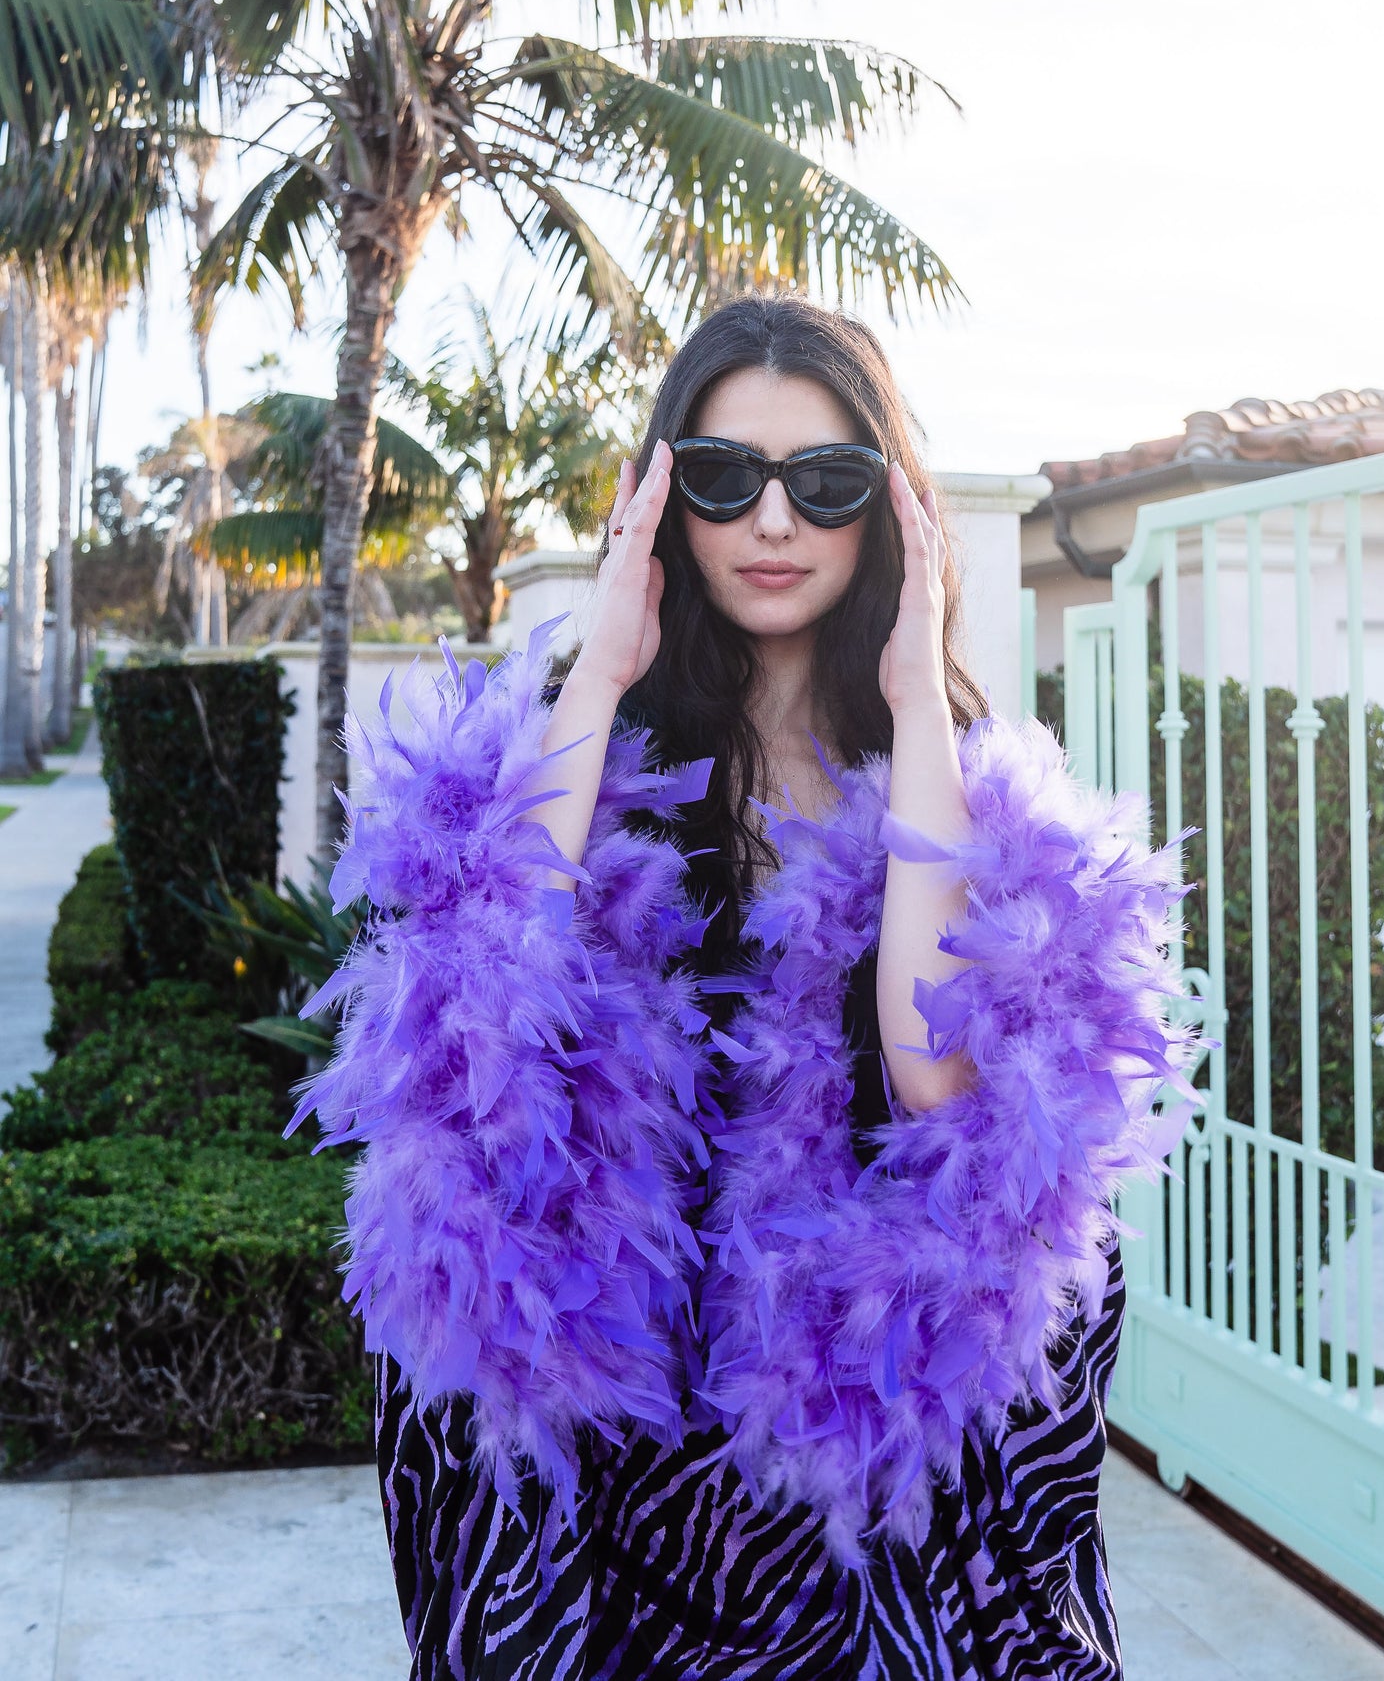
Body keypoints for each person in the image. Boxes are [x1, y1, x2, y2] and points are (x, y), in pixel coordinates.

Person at [296, 297, 1196, 1681]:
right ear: (664, 502)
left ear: (884, 512)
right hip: (610, 1451)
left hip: (856, 1449)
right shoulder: (572, 749)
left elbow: (934, 1075)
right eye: (723, 479)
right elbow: (486, 1026)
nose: (771, 523)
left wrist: (910, 711)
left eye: (824, 483)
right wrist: (598, 666)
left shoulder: (961, 782)